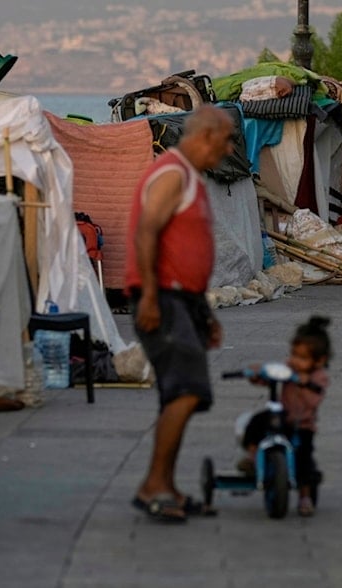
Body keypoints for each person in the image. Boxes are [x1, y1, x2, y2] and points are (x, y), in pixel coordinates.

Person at [125, 104, 234, 523]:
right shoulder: (172, 173)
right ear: (205, 135)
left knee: (178, 392)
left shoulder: (191, 178)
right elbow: (146, 231)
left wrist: (204, 314)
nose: (227, 151)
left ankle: (165, 485)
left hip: (181, 300)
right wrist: (150, 296)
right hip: (163, 298)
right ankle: (154, 484)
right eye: (225, 141)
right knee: (186, 391)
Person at [239, 316, 331, 517]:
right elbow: (271, 375)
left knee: (303, 459)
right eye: (294, 355)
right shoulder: (289, 368)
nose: (296, 361)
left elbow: (313, 400)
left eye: (303, 358)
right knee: (255, 422)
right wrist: (257, 374)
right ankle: (253, 456)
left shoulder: (319, 377)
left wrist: (304, 383)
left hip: (301, 425)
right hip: (279, 416)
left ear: (320, 360)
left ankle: (305, 496)